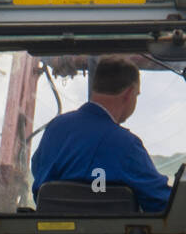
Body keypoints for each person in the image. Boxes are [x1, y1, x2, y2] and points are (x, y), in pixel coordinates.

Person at [31, 56, 172, 213]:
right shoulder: (125, 145)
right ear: (129, 93)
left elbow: (39, 174)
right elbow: (163, 203)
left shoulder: (54, 129)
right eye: (137, 95)